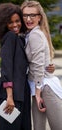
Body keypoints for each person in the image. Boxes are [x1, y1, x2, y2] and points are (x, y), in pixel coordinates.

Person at [21, 1, 62, 130]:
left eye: (33, 15)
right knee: (38, 127)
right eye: (25, 15)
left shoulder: (35, 35)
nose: (28, 19)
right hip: (38, 88)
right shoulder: (30, 33)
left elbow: (38, 66)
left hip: (44, 89)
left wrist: (38, 94)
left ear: (39, 17)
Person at [0, 3, 31, 130]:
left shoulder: (19, 39)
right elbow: (6, 67)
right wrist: (9, 97)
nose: (15, 25)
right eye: (10, 22)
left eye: (17, 21)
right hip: (10, 94)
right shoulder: (10, 37)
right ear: (3, 24)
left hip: (21, 92)